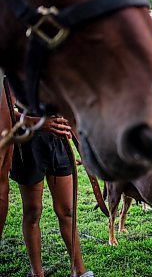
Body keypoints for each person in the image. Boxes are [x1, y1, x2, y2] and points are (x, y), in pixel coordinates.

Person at [10, 112, 93, 277]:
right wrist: (36, 122)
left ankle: (79, 271)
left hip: (58, 141)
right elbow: (5, 110)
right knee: (33, 212)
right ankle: (37, 273)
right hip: (27, 143)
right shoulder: (14, 84)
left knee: (67, 211)